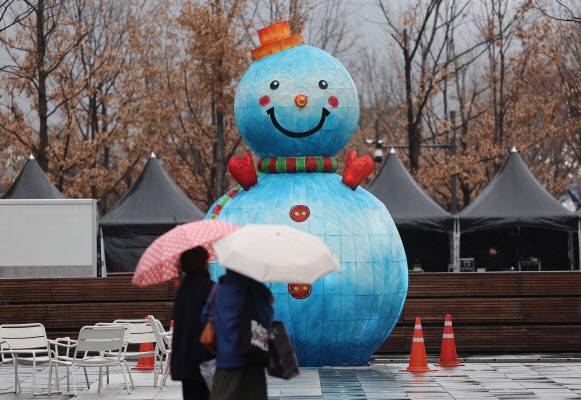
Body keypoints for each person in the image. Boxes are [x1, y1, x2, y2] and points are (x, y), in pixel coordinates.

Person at [202, 269, 274, 400]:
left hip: (223, 362)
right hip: (251, 360)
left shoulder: (217, 290)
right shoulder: (255, 289)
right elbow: (266, 320)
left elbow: (206, 317)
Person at [171, 246, 215, 400]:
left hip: (185, 360)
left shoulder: (183, 289)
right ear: (202, 263)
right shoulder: (209, 288)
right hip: (206, 358)